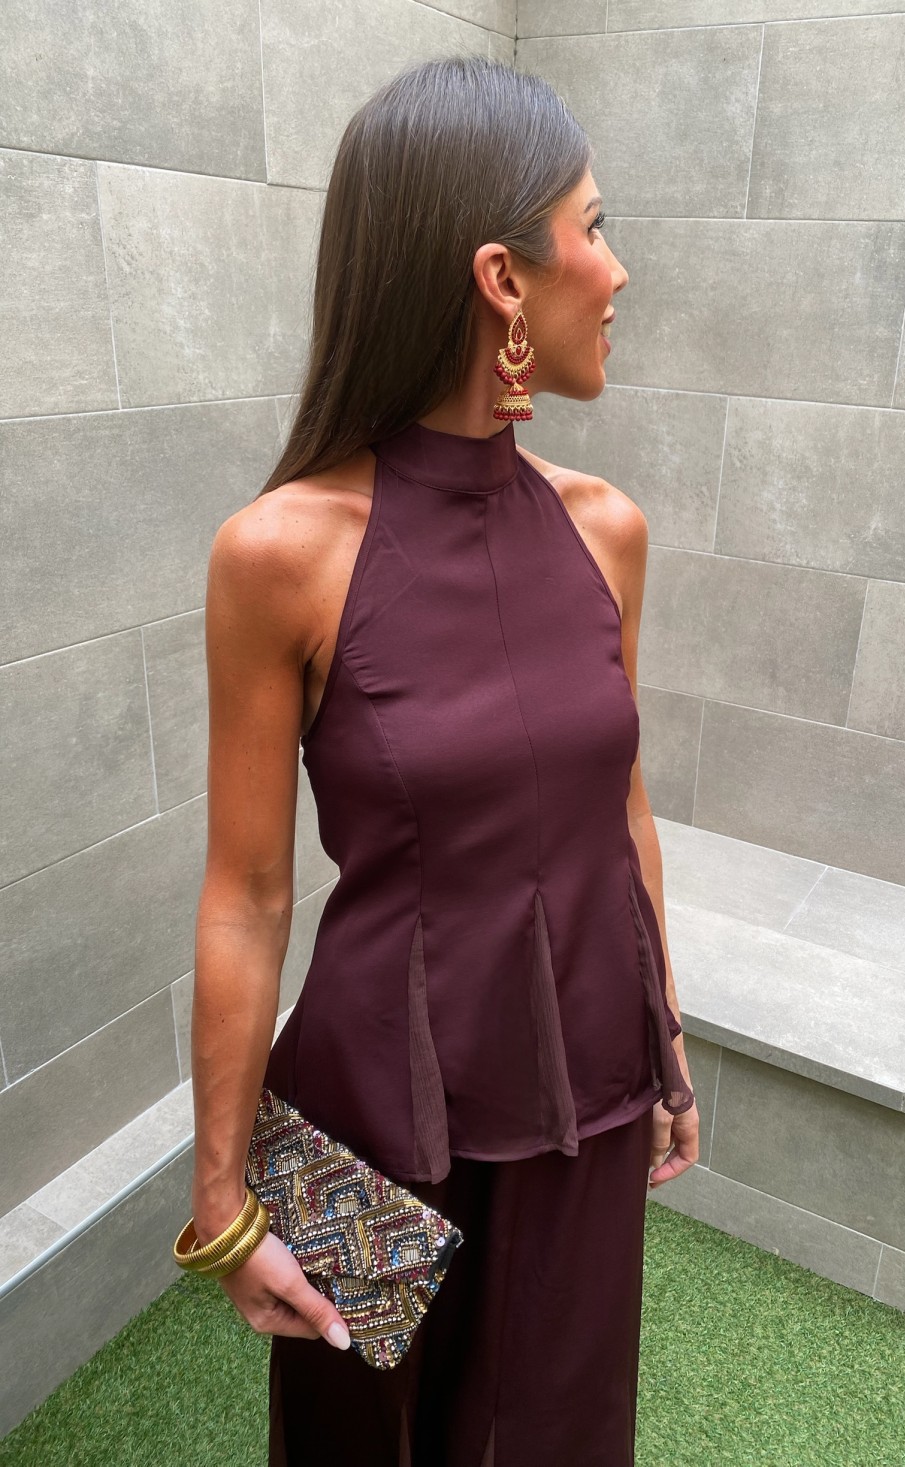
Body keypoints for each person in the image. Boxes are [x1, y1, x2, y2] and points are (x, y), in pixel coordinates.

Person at [184, 54, 700, 1466]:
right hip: (375, 1122)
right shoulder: (281, 554)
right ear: (502, 280)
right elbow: (246, 896)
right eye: (594, 227)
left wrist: (664, 1037)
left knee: (559, 1436)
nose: (618, 271)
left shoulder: (607, 530)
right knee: (369, 1446)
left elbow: (621, 813)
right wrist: (222, 1200)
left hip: (587, 1090)